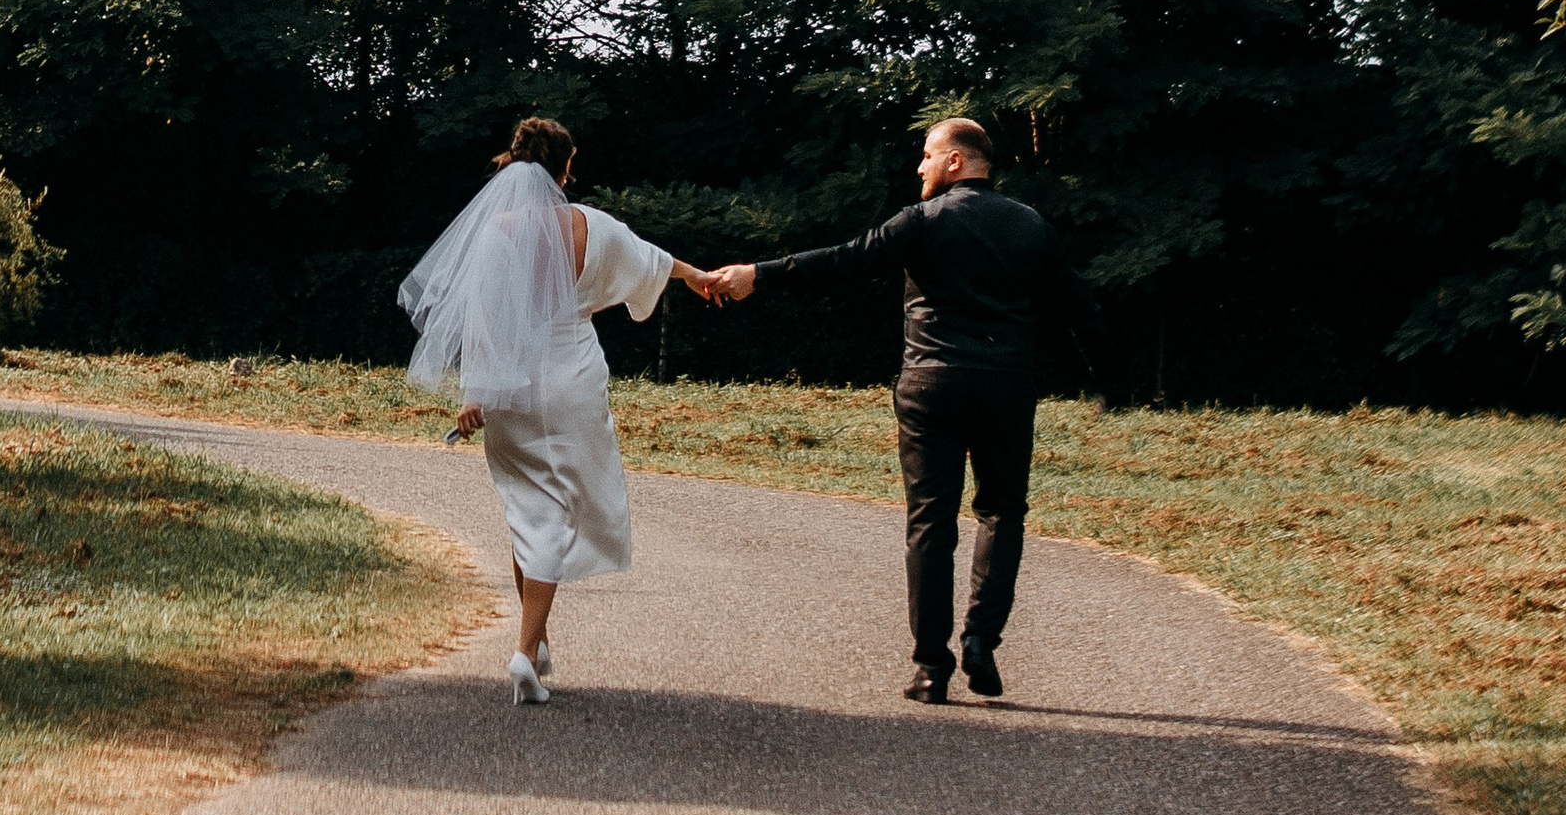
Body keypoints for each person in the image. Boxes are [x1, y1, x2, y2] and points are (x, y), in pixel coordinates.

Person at [712, 116, 1102, 706]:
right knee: (1002, 512)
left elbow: (843, 260)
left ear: (955, 162)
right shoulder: (1031, 225)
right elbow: (1081, 307)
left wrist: (757, 274)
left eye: (926, 155)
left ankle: (930, 668)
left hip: (931, 385)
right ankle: (981, 642)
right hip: (1006, 385)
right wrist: (1106, 384)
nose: (918, 166)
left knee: (931, 523)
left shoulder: (923, 221)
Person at [398, 115, 723, 705]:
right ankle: (525, 652)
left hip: (513, 384)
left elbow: (487, 315)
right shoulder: (590, 225)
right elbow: (652, 260)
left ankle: (535, 640)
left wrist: (477, 392)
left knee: (530, 508)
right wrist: (699, 277)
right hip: (571, 377)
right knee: (557, 510)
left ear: (515, 162)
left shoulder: (498, 231)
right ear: (565, 167)